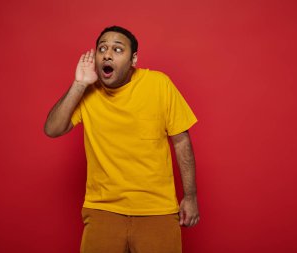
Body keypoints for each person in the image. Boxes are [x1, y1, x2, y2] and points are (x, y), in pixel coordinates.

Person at [44, 25, 199, 253]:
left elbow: (181, 141)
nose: (107, 54)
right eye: (102, 48)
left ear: (133, 58)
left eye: (117, 49)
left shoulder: (159, 84)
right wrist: (79, 84)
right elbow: (52, 129)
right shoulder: (87, 92)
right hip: (102, 209)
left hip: (157, 209)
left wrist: (190, 196)